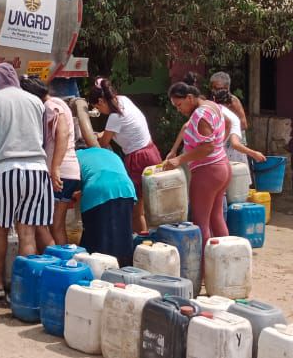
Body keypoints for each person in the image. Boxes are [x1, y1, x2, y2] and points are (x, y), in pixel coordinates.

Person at [0, 62, 53, 298]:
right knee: (27, 230)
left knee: (0, 226)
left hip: (6, 169)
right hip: (37, 169)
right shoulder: (35, 101)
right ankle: (25, 290)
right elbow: (43, 138)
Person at [87, 77, 163, 233]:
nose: (100, 112)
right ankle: (151, 238)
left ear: (101, 101)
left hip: (138, 159)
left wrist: (93, 136)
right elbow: (117, 131)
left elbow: (102, 144)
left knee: (137, 211)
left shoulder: (114, 117)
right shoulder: (123, 100)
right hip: (151, 152)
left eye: (97, 108)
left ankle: (140, 241)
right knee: (154, 207)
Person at [163, 80, 230, 239]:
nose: (179, 110)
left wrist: (180, 159)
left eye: (179, 105)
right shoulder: (211, 105)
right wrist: (174, 151)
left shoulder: (200, 114)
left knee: (201, 223)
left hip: (207, 172)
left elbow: (208, 147)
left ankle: (204, 264)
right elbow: (228, 122)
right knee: (216, 217)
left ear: (190, 98)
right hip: (222, 167)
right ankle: (225, 260)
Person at [20, 76, 81, 246]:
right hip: (70, 171)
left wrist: (55, 168)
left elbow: (62, 133)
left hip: (59, 172)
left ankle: (55, 262)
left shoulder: (49, 107)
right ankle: (63, 262)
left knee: (41, 223)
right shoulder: (59, 102)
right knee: (57, 225)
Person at [73, 142, 138, 266]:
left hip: (99, 189)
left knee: (96, 236)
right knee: (123, 233)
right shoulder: (108, 152)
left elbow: (78, 180)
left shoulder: (75, 156)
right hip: (126, 188)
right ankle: (125, 268)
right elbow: (101, 170)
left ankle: (96, 270)